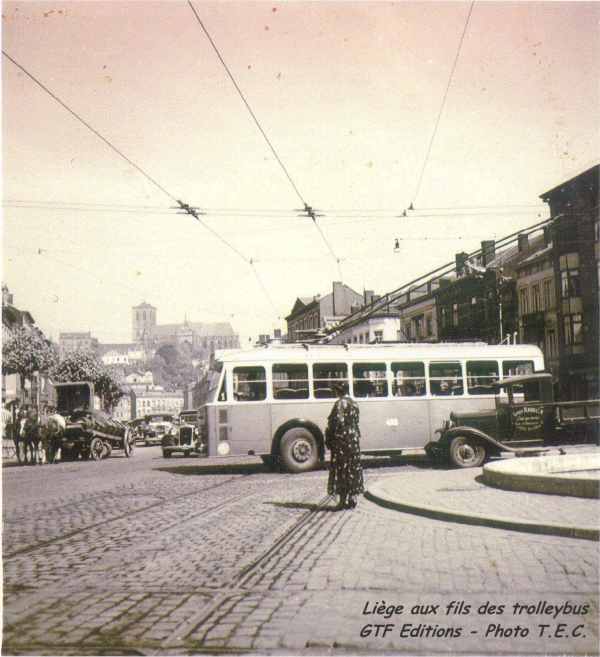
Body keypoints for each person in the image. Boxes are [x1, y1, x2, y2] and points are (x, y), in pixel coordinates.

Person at [325, 382, 364, 510]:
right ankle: (353, 498)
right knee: (353, 468)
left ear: (339, 392)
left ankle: (342, 501)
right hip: (353, 440)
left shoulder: (340, 404)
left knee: (342, 469)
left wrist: (330, 438)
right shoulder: (354, 403)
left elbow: (337, 422)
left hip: (342, 441)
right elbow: (356, 421)